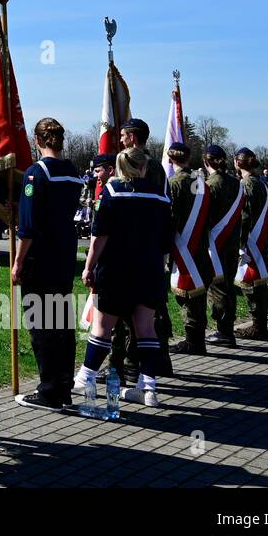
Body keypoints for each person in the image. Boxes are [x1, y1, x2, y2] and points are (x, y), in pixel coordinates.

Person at [76, 145, 173, 407]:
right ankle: (148, 387)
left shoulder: (112, 191)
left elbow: (100, 236)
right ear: (143, 167)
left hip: (116, 270)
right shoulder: (161, 196)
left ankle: (86, 376)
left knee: (102, 327)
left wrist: (89, 266)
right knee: (146, 329)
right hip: (150, 269)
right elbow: (166, 241)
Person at [12, 119, 85, 412]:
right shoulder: (73, 173)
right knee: (62, 322)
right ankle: (63, 385)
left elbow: (28, 227)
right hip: (64, 254)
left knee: (41, 324)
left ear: (37, 140)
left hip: (39, 257)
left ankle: (49, 391)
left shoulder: (36, 174)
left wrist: (18, 262)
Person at [113, 118, 173, 379]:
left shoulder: (136, 165)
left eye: (124, 136)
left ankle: (130, 363)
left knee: (132, 312)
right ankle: (160, 359)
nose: (121, 141)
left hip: (134, 246)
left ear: (134, 138)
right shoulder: (159, 167)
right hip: (154, 245)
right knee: (155, 307)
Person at [167, 142, 216, 356]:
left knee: (187, 295)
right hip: (201, 245)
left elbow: (170, 218)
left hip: (183, 246)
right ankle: (197, 338)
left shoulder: (174, 183)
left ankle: (193, 340)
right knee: (199, 294)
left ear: (170, 160)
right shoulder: (202, 181)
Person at [200, 145, 244, 348]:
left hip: (214, 244)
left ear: (206, 162)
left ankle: (224, 331)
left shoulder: (208, 185)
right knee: (228, 287)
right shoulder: (237, 183)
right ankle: (227, 328)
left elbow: (203, 217)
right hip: (232, 243)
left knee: (217, 289)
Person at [234, 148, 268, 340]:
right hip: (260, 239)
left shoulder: (246, 184)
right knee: (258, 283)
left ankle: (259, 327)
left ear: (238, 163)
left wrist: (240, 244)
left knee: (252, 283)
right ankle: (260, 325)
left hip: (251, 241)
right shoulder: (261, 183)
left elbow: (245, 216)